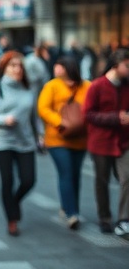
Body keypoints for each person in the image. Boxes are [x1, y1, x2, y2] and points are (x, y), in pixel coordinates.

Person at [0, 51, 37, 236]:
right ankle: (12, 220)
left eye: (20, 66)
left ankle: (14, 202)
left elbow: (34, 117)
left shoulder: (28, 88)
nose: (17, 69)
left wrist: (41, 135)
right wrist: (4, 119)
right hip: (2, 141)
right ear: (5, 68)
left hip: (25, 141)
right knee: (8, 180)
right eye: (13, 65)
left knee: (29, 180)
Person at [38, 56, 90, 230]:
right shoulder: (51, 85)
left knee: (75, 174)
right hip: (57, 138)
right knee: (66, 172)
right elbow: (43, 108)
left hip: (80, 139)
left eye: (58, 66)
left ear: (68, 68)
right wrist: (59, 121)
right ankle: (71, 213)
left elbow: (91, 107)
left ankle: (69, 206)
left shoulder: (86, 86)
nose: (55, 69)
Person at [82, 49, 129, 236]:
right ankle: (105, 218)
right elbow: (88, 114)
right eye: (127, 65)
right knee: (102, 181)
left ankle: (123, 218)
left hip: (124, 142)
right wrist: (115, 118)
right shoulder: (97, 86)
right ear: (116, 66)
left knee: (127, 179)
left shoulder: (127, 86)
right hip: (101, 142)